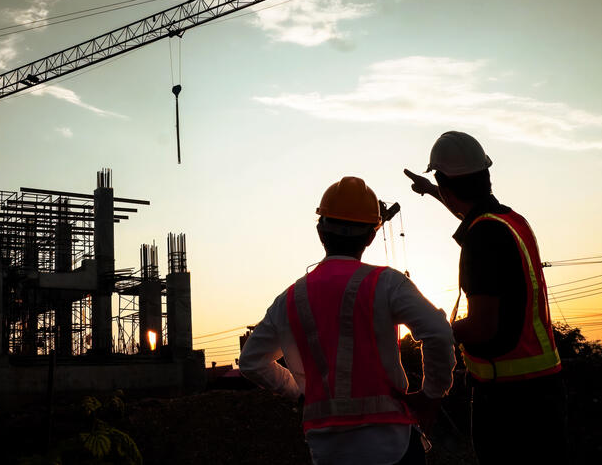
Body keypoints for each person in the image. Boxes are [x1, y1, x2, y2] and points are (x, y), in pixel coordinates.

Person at [239, 176, 456, 465]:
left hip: (327, 450)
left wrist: (300, 391)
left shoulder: (289, 299)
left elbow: (251, 362)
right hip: (391, 444)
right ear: (371, 236)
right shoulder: (386, 283)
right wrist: (431, 394)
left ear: (320, 231)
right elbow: (439, 333)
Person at [403, 131, 568, 465]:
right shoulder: (510, 220)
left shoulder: (482, 238)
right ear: (486, 176)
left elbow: (481, 328)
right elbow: (469, 210)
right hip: (544, 392)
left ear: (450, 188)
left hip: (508, 400)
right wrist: (433, 191)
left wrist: (437, 332)